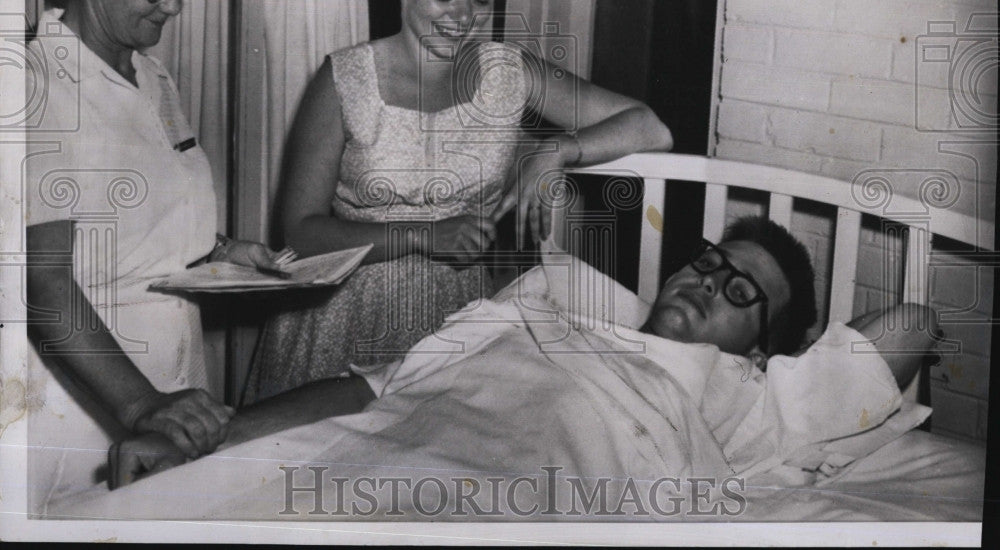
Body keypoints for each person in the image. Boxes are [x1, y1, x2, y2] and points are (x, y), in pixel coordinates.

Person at [109, 217, 941, 498]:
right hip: (395, 462)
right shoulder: (543, 309)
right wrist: (210, 435)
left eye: (741, 293)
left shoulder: (756, 399)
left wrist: (788, 368)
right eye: (709, 263)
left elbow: (911, 321)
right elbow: (375, 388)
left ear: (763, 349)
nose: (709, 282)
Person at [244, 0, 674, 401]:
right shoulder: (344, 78)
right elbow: (299, 230)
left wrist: (555, 150)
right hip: (341, 317)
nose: (463, 17)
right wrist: (423, 235)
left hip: (455, 321)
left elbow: (650, 127)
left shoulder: (509, 72)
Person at [24, 0, 281, 513]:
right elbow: (45, 285)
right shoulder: (39, 88)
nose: (171, 7)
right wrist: (143, 408)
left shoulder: (150, 74)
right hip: (90, 414)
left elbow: (141, 213)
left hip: (174, 389)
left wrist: (222, 251)